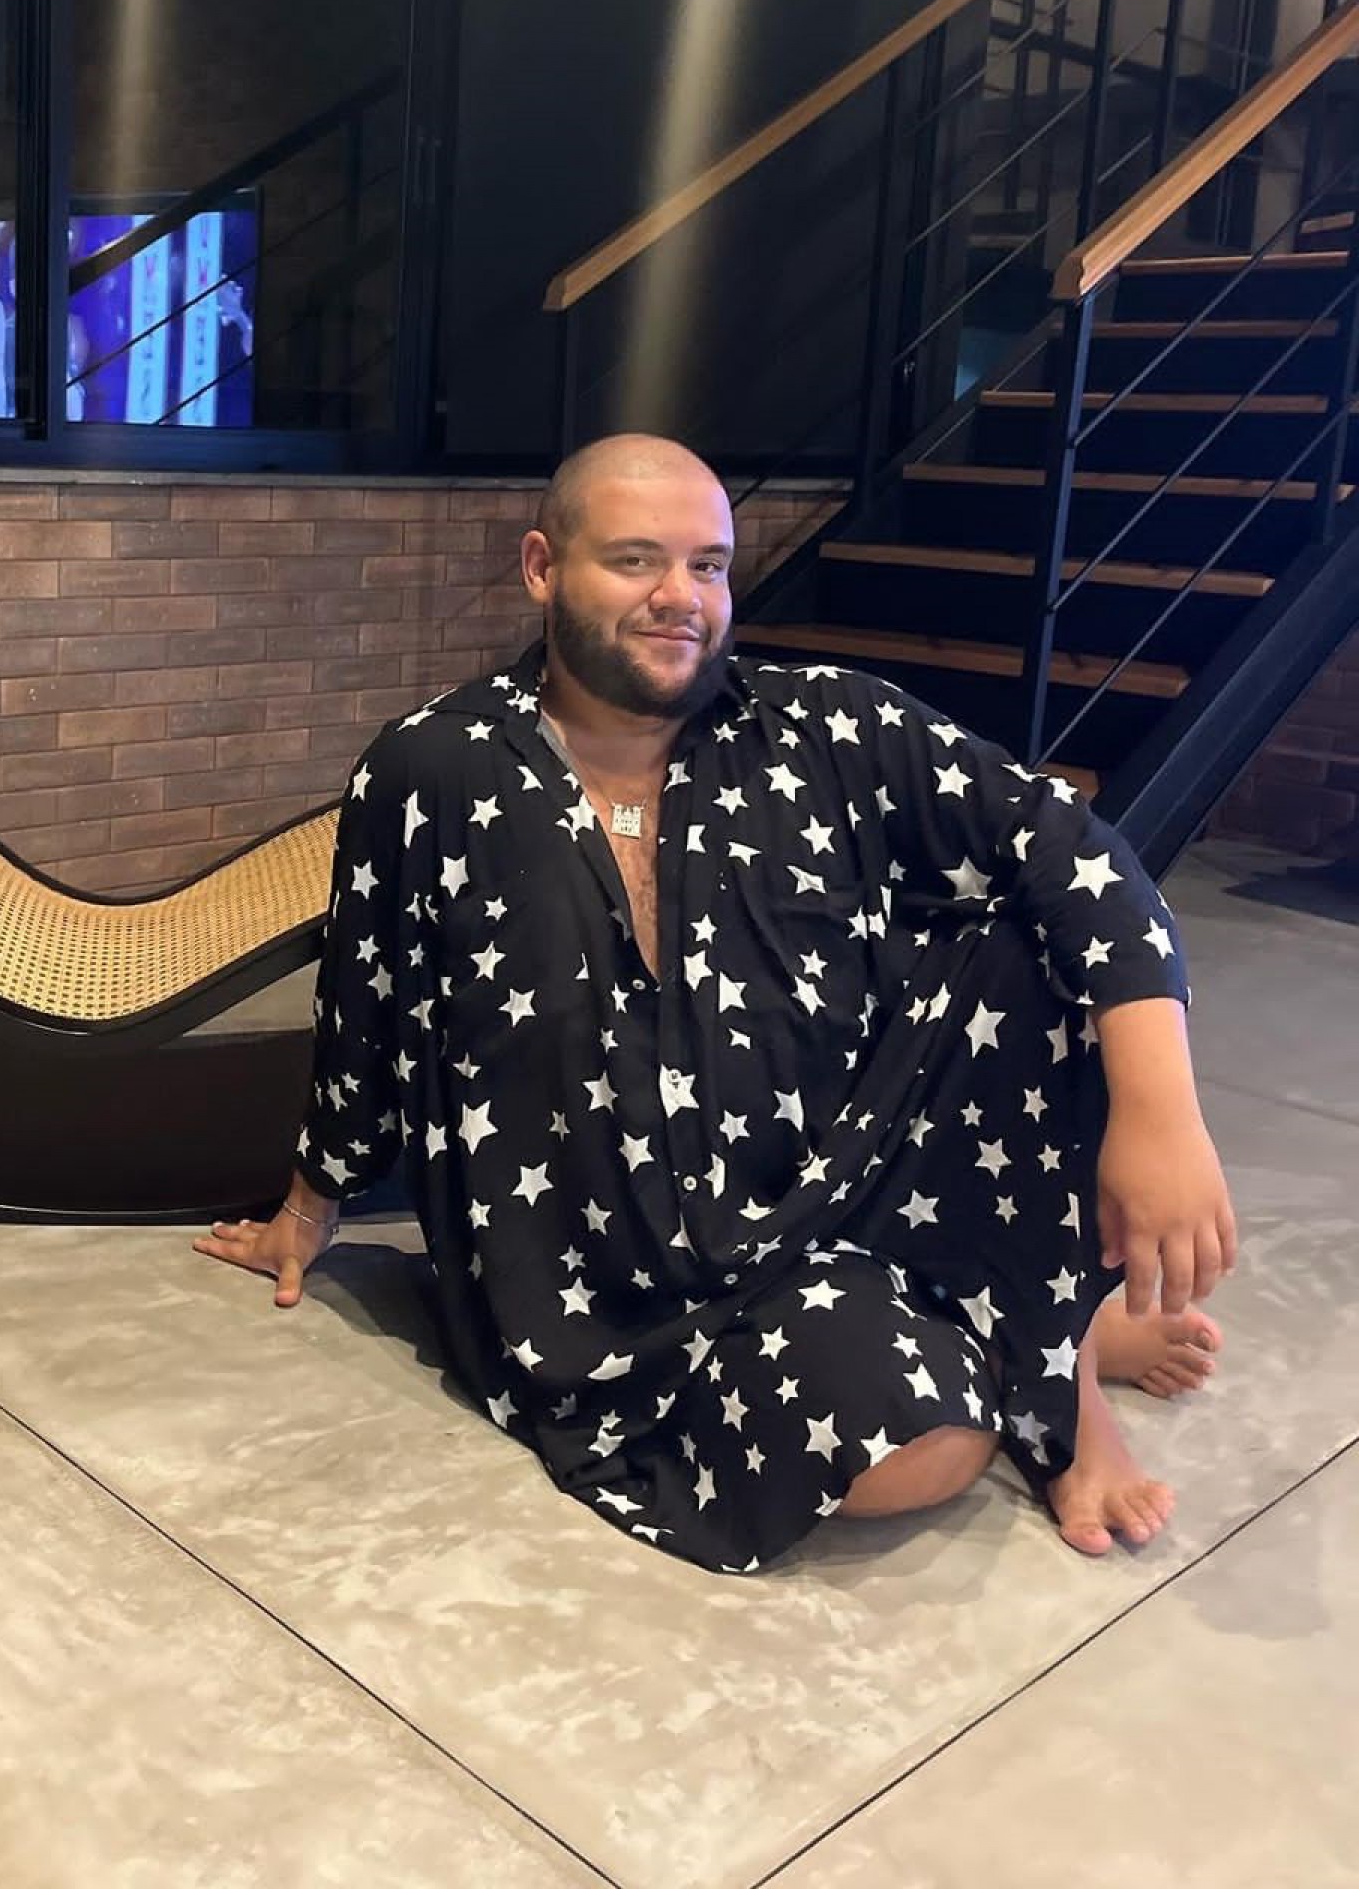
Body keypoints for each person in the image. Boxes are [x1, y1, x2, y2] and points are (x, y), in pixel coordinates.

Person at [195, 436, 1235, 1573]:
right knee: (911, 1454)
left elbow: (1074, 849)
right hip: (605, 1288)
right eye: (636, 560)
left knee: (1034, 940)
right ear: (543, 568)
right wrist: (310, 1207)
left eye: (708, 565)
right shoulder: (432, 769)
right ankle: (1037, 1326)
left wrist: (1162, 1116)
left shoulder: (826, 725)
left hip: (835, 1202)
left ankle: (1059, 1362)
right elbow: (368, 1001)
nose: (679, 598)